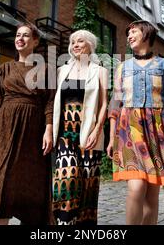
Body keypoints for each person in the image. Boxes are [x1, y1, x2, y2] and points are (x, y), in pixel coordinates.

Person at [0, 22, 54, 225]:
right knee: (1, 177)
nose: (20, 39)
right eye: (17, 35)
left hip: (33, 127)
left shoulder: (47, 70)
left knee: (30, 177)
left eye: (25, 36)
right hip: (5, 126)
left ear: (36, 41)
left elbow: (50, 102)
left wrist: (48, 130)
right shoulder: (4, 68)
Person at [106, 20, 164, 225]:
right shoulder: (122, 68)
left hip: (158, 131)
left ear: (146, 34)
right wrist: (111, 139)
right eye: (128, 33)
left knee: (152, 195)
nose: (129, 36)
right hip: (130, 131)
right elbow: (115, 107)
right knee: (136, 188)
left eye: (133, 32)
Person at [52, 29, 108, 225]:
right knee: (66, 179)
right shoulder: (61, 71)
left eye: (80, 41)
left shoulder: (100, 71)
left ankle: (85, 226)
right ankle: (64, 223)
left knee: (87, 181)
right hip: (65, 134)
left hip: (90, 133)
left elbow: (104, 104)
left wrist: (97, 129)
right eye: (73, 41)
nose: (75, 44)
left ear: (90, 46)